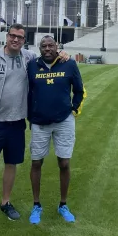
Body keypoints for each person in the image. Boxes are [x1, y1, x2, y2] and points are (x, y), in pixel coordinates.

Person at [0, 24, 57, 230]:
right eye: (12, 36)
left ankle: (5, 202)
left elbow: (48, 56)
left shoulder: (28, 58)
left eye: (20, 37)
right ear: (7, 37)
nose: (16, 40)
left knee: (12, 165)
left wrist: (61, 53)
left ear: (24, 40)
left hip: (17, 123)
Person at [27, 35, 85, 225]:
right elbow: (26, 92)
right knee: (36, 163)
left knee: (64, 163)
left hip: (63, 121)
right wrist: (31, 114)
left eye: (51, 45)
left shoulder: (69, 64)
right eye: (43, 46)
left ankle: (63, 204)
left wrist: (74, 109)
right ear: (39, 48)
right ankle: (37, 205)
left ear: (57, 46)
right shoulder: (32, 66)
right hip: (40, 123)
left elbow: (79, 89)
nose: (47, 49)